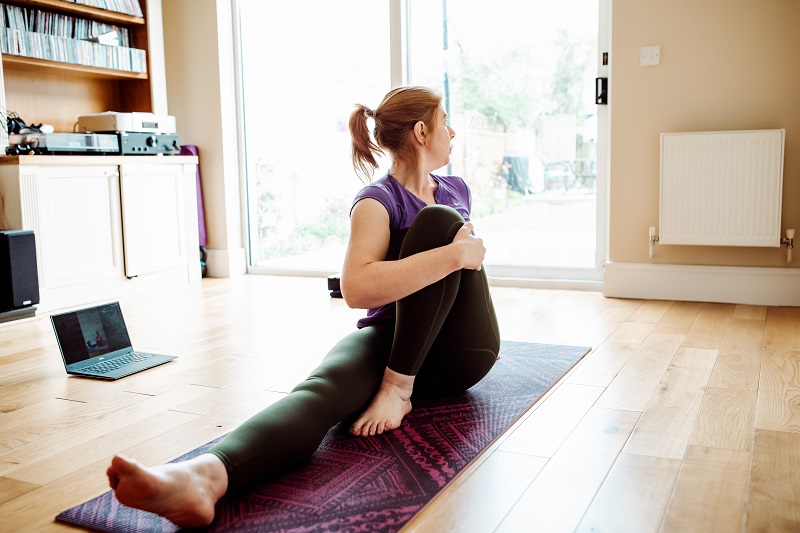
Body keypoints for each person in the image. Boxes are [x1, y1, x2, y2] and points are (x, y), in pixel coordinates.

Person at [105, 85, 501, 528]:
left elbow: (461, 285)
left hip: (457, 352)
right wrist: (451, 255)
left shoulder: (456, 190)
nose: (454, 131)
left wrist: (452, 253)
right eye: (446, 120)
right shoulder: (377, 201)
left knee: (438, 221)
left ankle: (398, 389)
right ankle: (203, 477)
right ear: (423, 131)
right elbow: (357, 290)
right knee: (320, 389)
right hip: (392, 338)